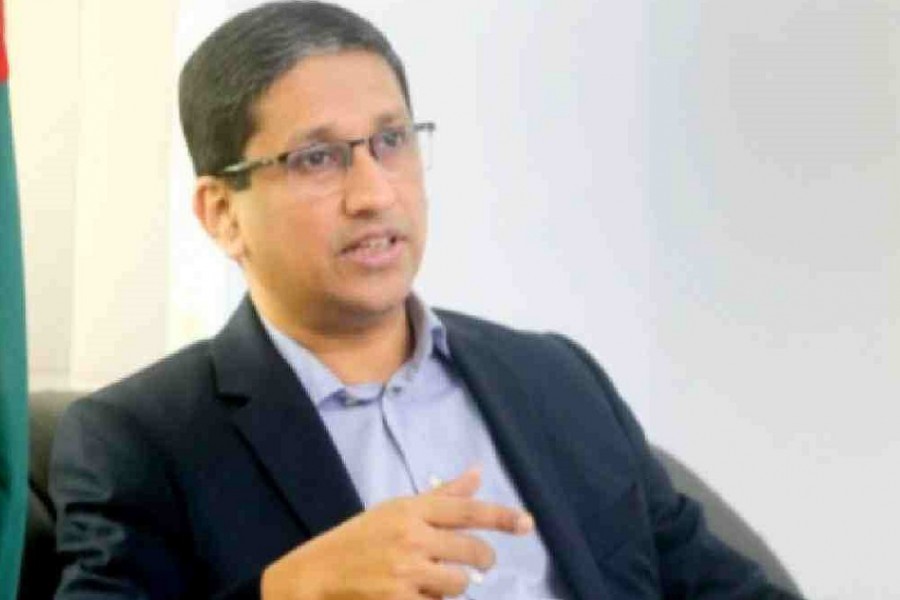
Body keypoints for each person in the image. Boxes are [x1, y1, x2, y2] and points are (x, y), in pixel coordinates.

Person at [49, 2, 801, 599]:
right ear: (222, 214)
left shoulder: (557, 380)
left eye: (392, 141)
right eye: (317, 158)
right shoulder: (142, 442)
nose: (374, 194)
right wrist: (287, 591)